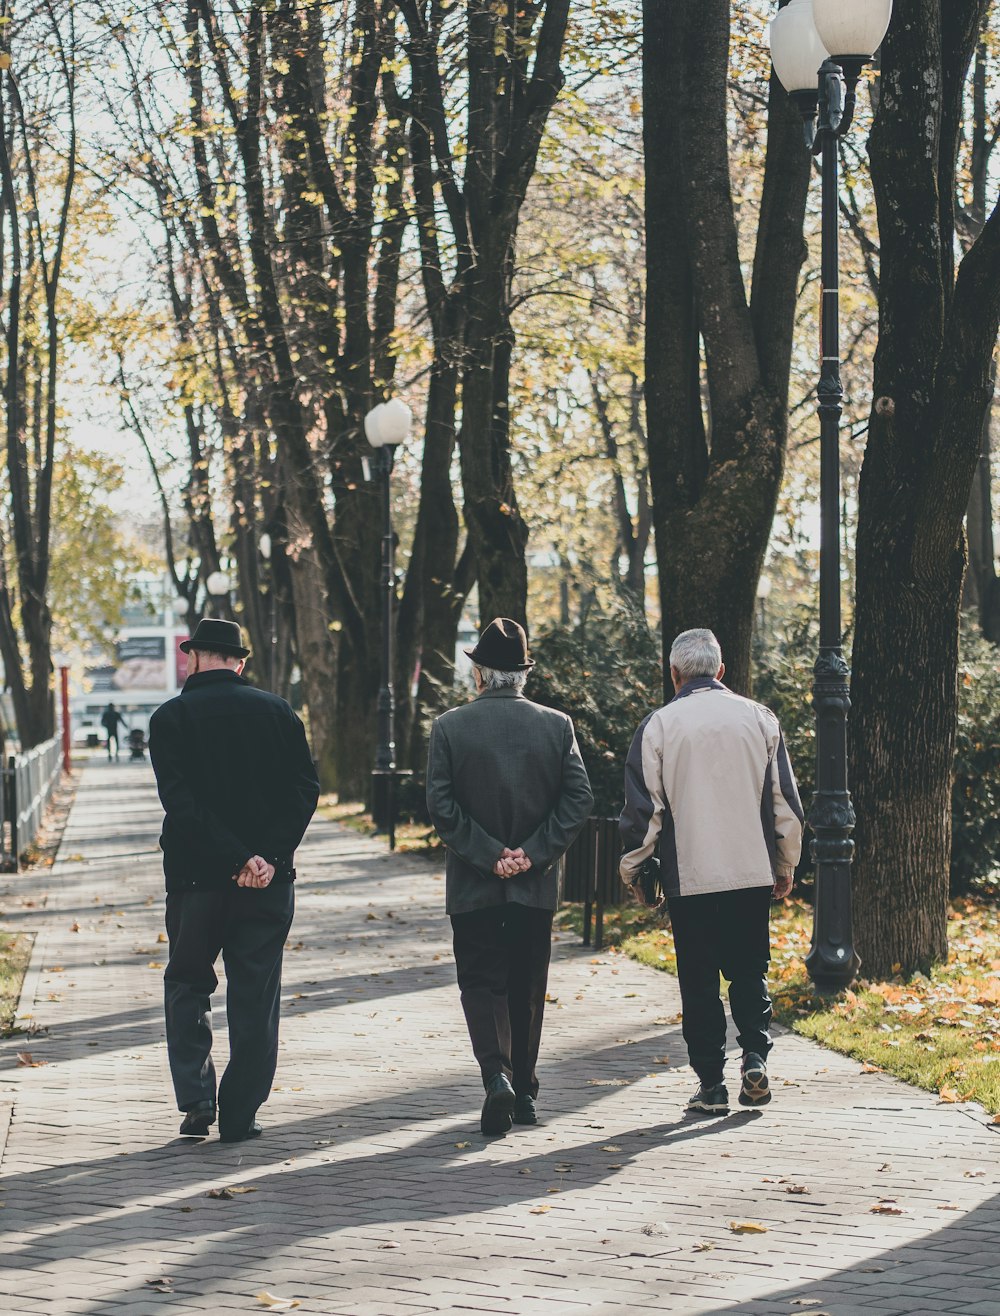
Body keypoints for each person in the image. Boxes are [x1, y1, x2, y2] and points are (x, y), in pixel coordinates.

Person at [619, 628, 804, 1116]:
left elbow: (645, 814)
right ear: (721, 671)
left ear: (674, 673)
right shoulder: (761, 720)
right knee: (749, 972)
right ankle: (756, 1057)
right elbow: (784, 804)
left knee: (698, 984)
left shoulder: (658, 727)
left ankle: (710, 1085)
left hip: (691, 876)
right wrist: (784, 864)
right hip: (749, 872)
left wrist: (635, 871)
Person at [148, 618, 319, 1143]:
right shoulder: (279, 713)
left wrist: (234, 856)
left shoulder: (170, 718)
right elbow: (304, 791)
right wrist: (264, 857)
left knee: (187, 984)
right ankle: (241, 1113)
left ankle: (198, 1100)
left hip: (196, 880)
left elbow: (180, 804)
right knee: (256, 993)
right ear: (239, 662)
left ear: (196, 657)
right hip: (268, 884)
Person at [427, 617, 593, 1136]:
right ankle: (524, 1090)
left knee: (480, 981)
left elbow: (441, 805)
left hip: (474, 884)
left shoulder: (450, 727)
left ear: (478, 674)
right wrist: (532, 853)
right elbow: (578, 798)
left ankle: (495, 1075)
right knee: (526, 984)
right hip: (534, 884)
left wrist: (489, 854)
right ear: (523, 674)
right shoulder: (556, 725)